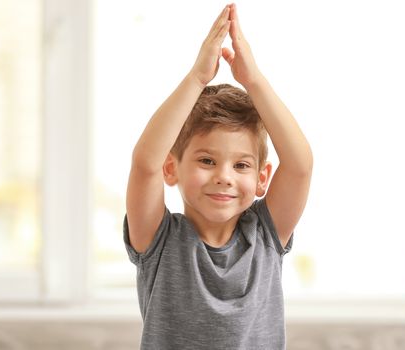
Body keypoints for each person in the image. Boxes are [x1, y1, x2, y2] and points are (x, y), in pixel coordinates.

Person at [123, 4, 312, 349]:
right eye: (207, 160)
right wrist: (196, 78)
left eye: (241, 165)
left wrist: (253, 80)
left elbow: (300, 166)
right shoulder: (159, 240)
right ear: (171, 168)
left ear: (262, 178)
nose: (224, 177)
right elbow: (144, 164)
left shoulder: (265, 235)